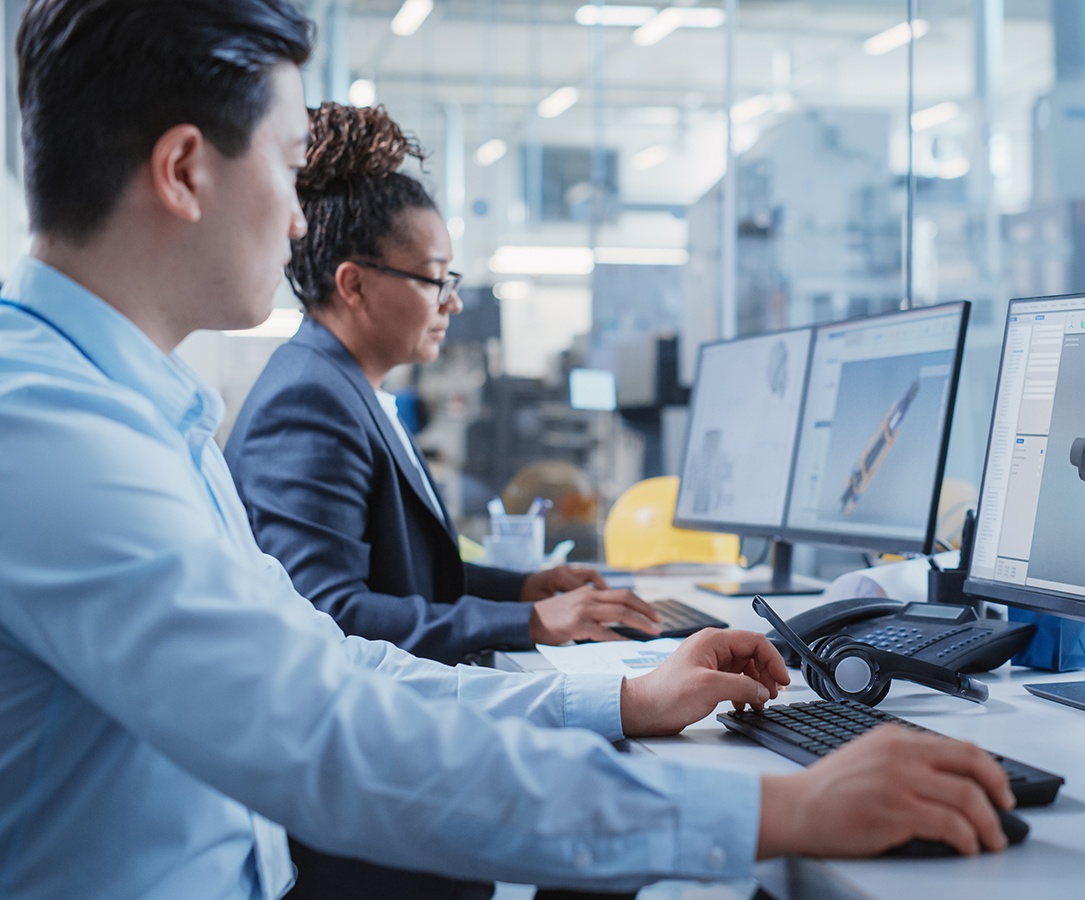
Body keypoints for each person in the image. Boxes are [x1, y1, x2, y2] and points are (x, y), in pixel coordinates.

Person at [0, 1, 1017, 898]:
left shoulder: (139, 414)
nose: (302, 218)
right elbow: (325, 737)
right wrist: (776, 813)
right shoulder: (50, 436)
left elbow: (336, 668)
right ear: (184, 172)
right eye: (286, 165)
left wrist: (621, 694)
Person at [225, 101, 659, 675]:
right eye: (434, 279)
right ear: (354, 285)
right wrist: (530, 622)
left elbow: (403, 577)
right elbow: (328, 613)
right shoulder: (308, 401)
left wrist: (522, 589)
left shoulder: (343, 386)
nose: (451, 303)